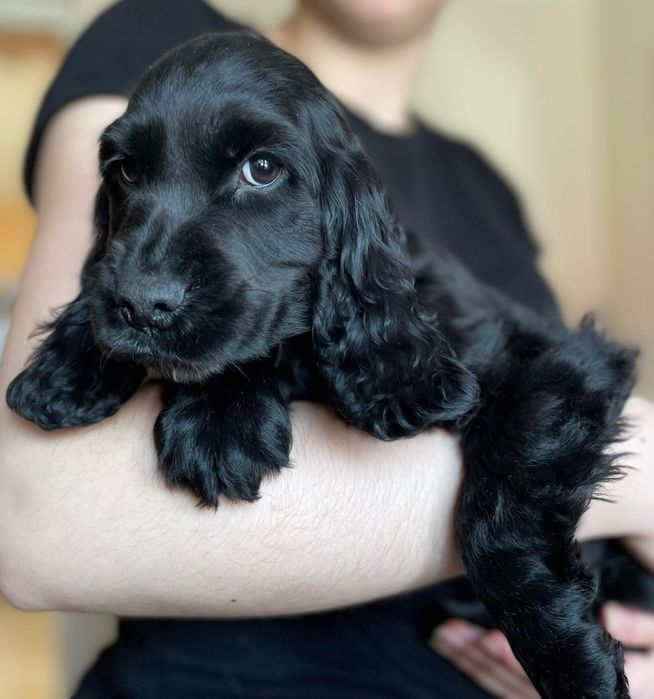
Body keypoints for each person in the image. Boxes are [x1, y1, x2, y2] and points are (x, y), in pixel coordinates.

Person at [0, 0, 652, 697]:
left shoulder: (482, 185)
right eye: (132, 171)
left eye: (258, 169)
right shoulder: (156, 37)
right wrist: (638, 488)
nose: (151, 275)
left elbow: (561, 387)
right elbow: (29, 522)